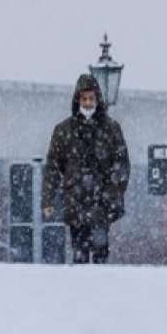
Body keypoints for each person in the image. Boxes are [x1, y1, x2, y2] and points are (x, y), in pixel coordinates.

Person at [42, 74, 130, 264]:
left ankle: (99, 286)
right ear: (78, 100)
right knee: (79, 250)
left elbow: (122, 164)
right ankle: (82, 287)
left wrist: (113, 190)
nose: (88, 103)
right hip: (76, 199)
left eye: (91, 98)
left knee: (100, 248)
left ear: (97, 99)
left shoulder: (111, 129)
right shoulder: (64, 130)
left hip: (101, 200)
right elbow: (53, 166)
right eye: (84, 99)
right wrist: (48, 198)